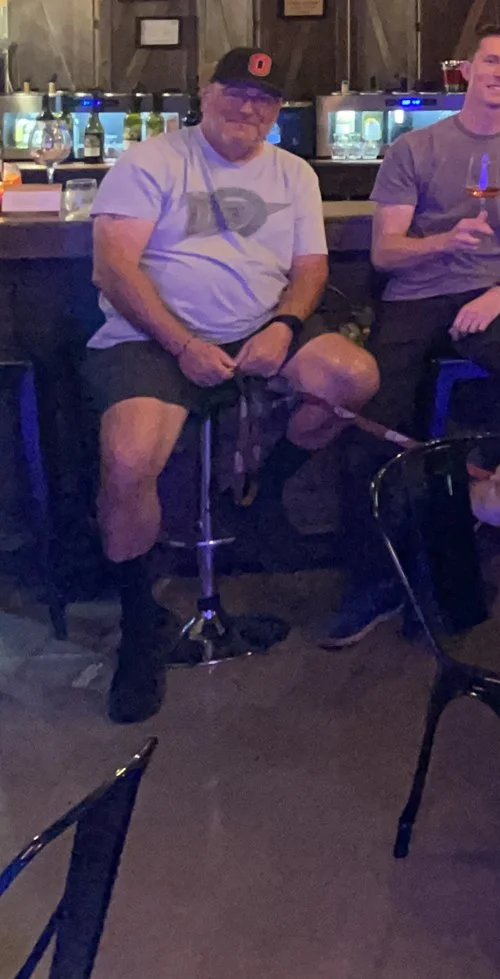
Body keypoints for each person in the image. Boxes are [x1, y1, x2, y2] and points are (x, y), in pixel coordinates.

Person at [85, 47, 382, 722]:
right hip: (153, 338)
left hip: (261, 330)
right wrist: (183, 344)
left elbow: (310, 267)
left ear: (279, 110)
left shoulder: (293, 173)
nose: (250, 108)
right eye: (237, 92)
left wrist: (284, 324)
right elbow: (113, 268)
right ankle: (141, 622)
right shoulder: (151, 161)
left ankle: (262, 493)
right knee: (129, 459)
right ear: (205, 90)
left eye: (266, 98)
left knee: (352, 376)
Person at [325, 27, 500, 647]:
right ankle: (375, 584)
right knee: (367, 425)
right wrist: (444, 242)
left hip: (495, 295)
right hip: (416, 293)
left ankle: (460, 474)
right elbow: (386, 254)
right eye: (490, 60)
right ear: (465, 70)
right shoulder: (416, 149)